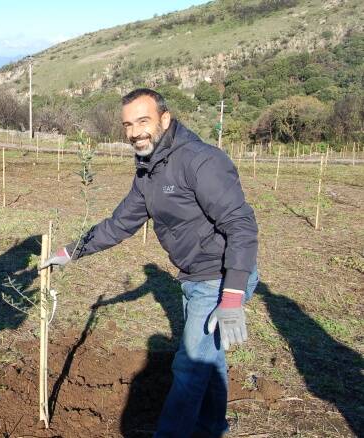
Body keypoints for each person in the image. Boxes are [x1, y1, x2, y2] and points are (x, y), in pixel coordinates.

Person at [41, 88, 259, 437]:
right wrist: (71, 251)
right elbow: (120, 223)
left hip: (220, 276)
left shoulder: (201, 161)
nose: (134, 132)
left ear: (165, 119)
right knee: (209, 359)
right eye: (127, 124)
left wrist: (232, 294)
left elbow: (242, 226)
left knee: (189, 366)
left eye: (143, 121)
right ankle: (213, 427)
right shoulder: (148, 171)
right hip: (193, 277)